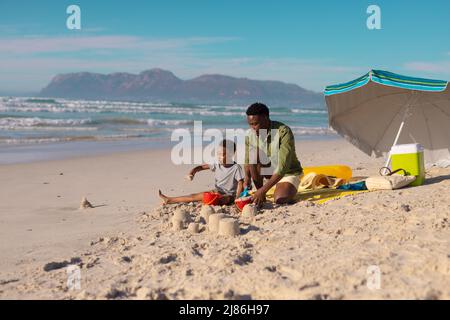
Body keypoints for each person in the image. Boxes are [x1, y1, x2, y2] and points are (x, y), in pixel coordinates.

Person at [244, 102, 303, 205]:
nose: (253, 128)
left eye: (256, 123)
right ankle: (261, 195)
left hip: (288, 172)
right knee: (254, 153)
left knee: (279, 199)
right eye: (251, 124)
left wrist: (263, 190)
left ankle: (263, 191)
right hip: (269, 171)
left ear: (266, 118)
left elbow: (282, 167)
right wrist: (247, 178)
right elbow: (247, 160)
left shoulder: (283, 131)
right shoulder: (249, 135)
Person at [159, 139, 244, 205]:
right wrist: (192, 172)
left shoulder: (236, 168)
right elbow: (201, 167)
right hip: (216, 192)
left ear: (231, 154)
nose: (219, 157)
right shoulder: (216, 164)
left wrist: (237, 198)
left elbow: (241, 184)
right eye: (218, 154)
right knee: (193, 196)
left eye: (222, 154)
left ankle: (212, 201)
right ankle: (169, 200)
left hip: (228, 196)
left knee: (221, 199)